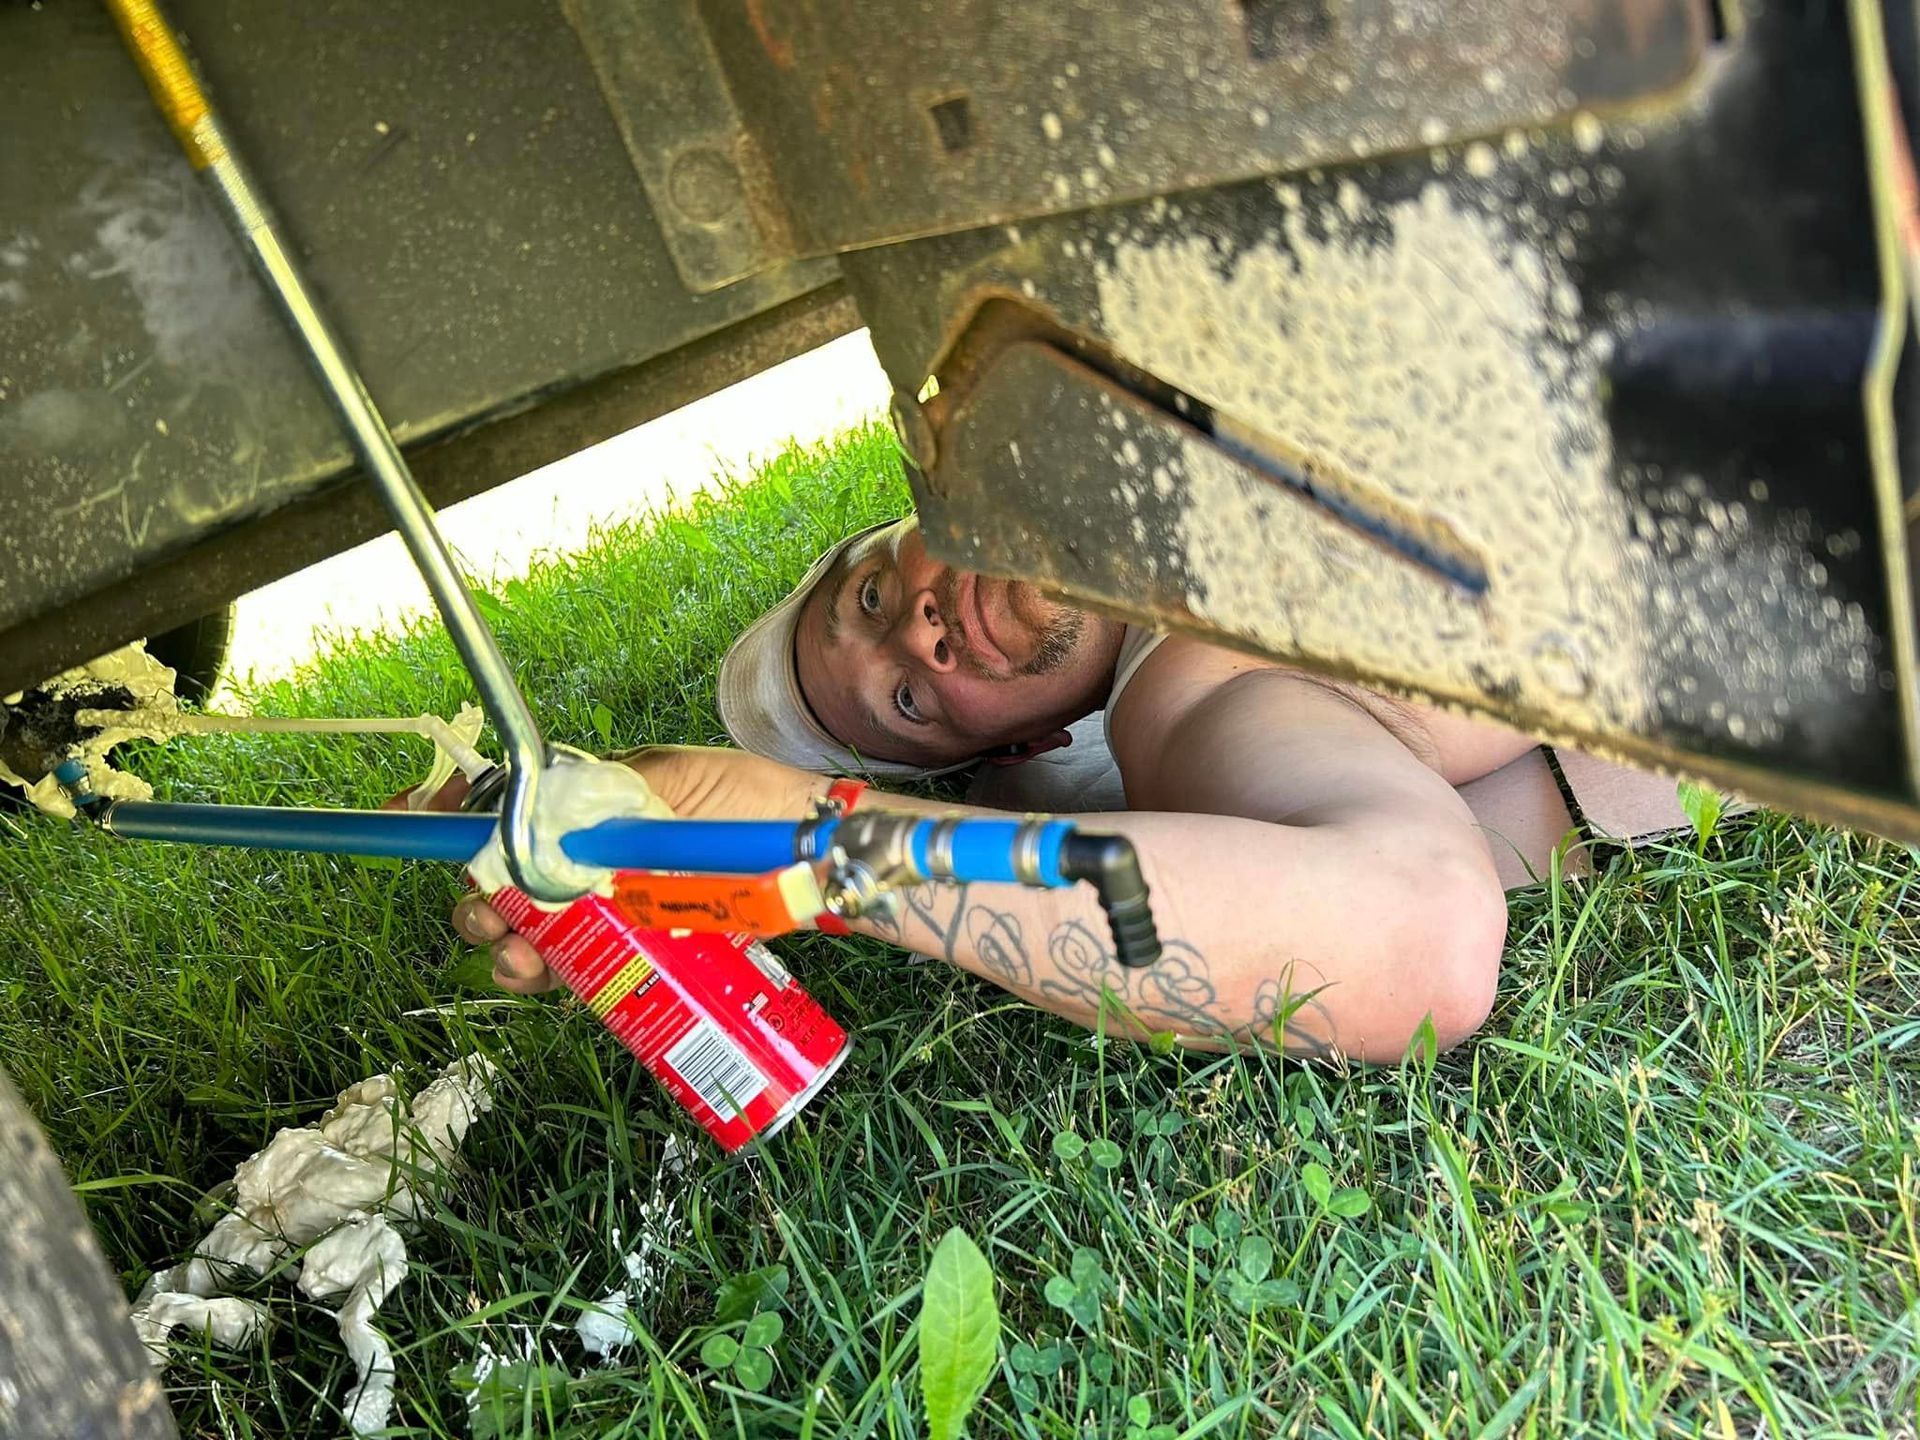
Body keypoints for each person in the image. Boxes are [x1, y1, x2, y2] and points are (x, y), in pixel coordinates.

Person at [448, 514, 1686, 1064]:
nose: (920, 634)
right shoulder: (1194, 691)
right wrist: (809, 844)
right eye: (911, 702)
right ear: (1019, 751)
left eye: (872, 595)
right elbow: (1417, 940)